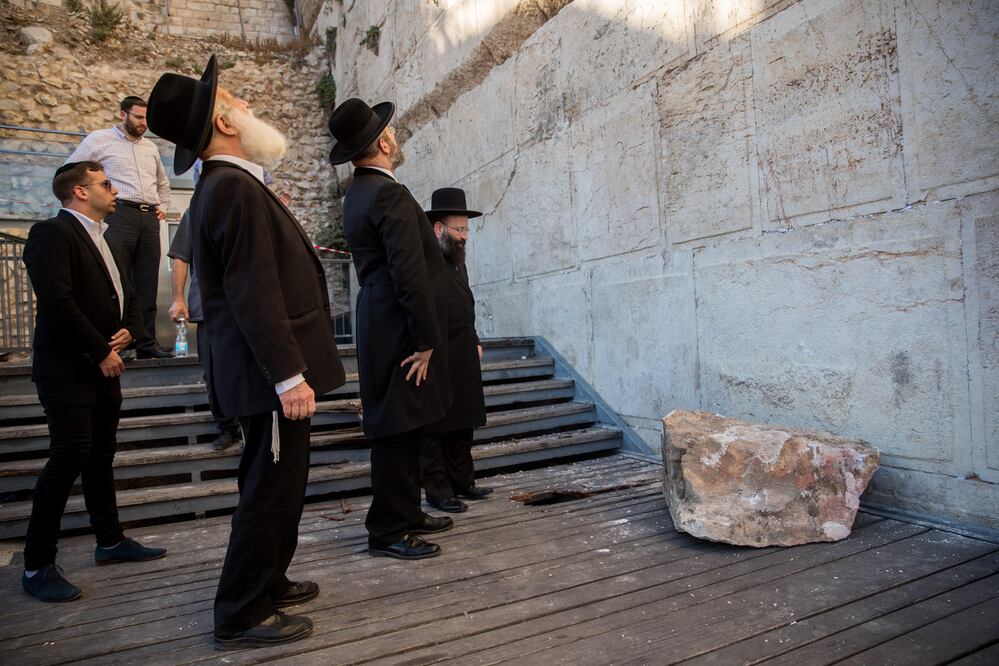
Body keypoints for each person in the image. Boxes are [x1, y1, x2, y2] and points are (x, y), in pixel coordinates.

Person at [148, 56, 346, 650]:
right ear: (224, 124)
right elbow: (253, 291)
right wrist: (288, 377)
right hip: (267, 376)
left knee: (279, 484)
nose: (249, 107)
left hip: (263, 372)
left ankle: (270, 579)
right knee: (269, 490)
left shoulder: (228, 183)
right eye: (238, 101)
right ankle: (241, 611)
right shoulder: (231, 186)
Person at [20, 161, 167, 603]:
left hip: (107, 363)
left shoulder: (107, 238)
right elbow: (57, 302)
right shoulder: (51, 234)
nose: (114, 189)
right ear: (80, 192)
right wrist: (99, 350)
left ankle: (110, 541)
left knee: (101, 456)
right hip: (68, 369)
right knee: (68, 457)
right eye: (105, 184)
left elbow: (128, 294)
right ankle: (36, 564)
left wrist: (129, 329)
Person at [329, 98, 454, 560]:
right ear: (382, 142)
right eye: (391, 132)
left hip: (381, 318)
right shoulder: (388, 194)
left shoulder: (359, 192)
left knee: (409, 421)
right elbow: (409, 272)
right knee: (398, 428)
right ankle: (387, 530)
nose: (395, 137)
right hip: (399, 324)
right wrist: (423, 340)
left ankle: (406, 513)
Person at [67, 95, 173, 359]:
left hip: (148, 217)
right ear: (123, 115)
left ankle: (147, 345)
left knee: (147, 282)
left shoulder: (150, 147)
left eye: (146, 119)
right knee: (115, 281)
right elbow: (69, 169)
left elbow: (163, 182)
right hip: (117, 213)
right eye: (138, 117)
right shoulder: (99, 139)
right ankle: (118, 347)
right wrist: (89, 203)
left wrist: (164, 205)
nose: (143, 123)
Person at [420, 188, 493, 513]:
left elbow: (465, 305)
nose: (464, 236)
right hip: (436, 353)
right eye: (458, 229)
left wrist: (475, 339)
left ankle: (463, 481)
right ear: (439, 228)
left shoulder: (457, 261)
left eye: (466, 229)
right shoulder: (425, 262)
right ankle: (438, 490)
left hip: (463, 352)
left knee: (463, 421)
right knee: (436, 425)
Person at [167, 163, 241, 451]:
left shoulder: (246, 208)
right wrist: (178, 298)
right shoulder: (194, 212)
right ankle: (227, 427)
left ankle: (251, 425)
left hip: (246, 307)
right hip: (209, 308)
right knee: (215, 373)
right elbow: (180, 257)